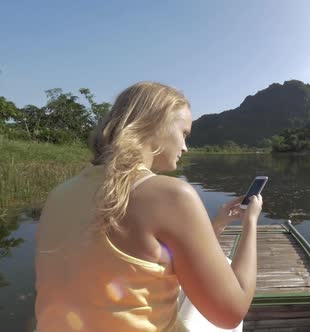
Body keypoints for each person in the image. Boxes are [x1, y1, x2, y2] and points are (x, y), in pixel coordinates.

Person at [34, 81, 262, 331]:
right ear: (156, 125)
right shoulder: (171, 195)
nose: (185, 147)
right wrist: (251, 223)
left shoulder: (60, 193)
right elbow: (230, 314)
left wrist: (215, 225)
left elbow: (129, 254)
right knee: (226, 268)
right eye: (184, 134)